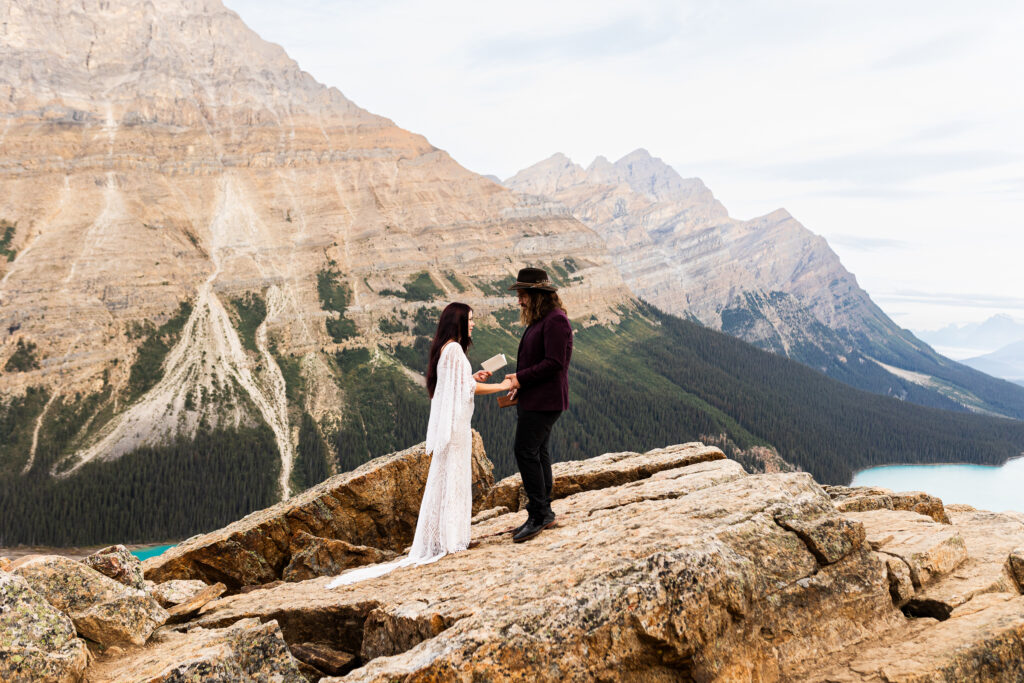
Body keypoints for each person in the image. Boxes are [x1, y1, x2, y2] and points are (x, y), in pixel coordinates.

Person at [328, 302, 511, 587]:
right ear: (458, 322)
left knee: (450, 479)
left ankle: (446, 536)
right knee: (454, 479)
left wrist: (472, 377)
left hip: (455, 425)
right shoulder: (453, 350)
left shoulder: (447, 348)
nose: (474, 324)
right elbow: (466, 389)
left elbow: (456, 385)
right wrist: (500, 387)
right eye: (470, 320)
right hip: (457, 428)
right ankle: (451, 539)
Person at [504, 267, 573, 543]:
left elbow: (555, 363)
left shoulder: (555, 321)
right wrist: (520, 383)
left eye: (522, 295)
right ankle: (544, 512)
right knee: (538, 451)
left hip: (545, 401)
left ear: (537, 295)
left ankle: (539, 514)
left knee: (525, 450)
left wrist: (520, 378)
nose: (519, 301)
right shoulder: (543, 319)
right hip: (537, 398)